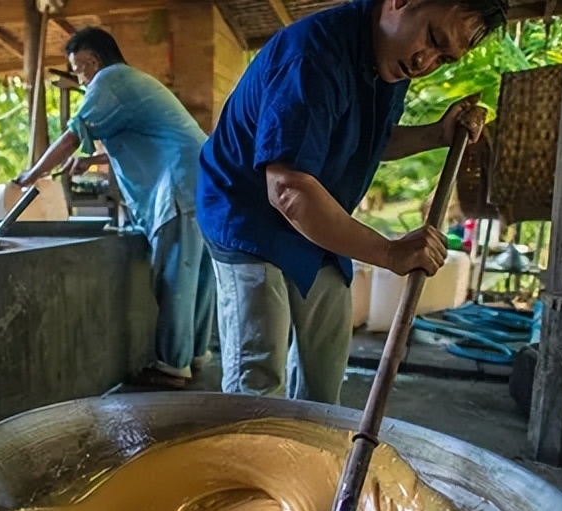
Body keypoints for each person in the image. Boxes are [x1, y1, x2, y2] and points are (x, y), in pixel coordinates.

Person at [197, 0, 506, 403]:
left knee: (325, 371)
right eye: (432, 39)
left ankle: (313, 452)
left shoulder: (392, 59)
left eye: (443, 58)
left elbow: (370, 139)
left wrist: (436, 134)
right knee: (258, 380)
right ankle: (251, 460)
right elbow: (288, 190)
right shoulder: (312, 55)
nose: (425, 62)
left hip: (316, 210)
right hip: (247, 213)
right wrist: (389, 252)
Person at [16, 27, 215, 389]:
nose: (80, 77)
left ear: (91, 60)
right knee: (197, 273)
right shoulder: (133, 81)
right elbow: (143, 138)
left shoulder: (109, 80)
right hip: (200, 179)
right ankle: (194, 356)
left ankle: (172, 366)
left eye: (78, 69)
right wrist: (90, 162)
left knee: (174, 274)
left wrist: (31, 174)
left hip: (177, 184)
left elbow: (73, 134)